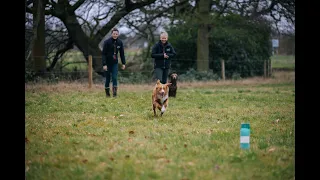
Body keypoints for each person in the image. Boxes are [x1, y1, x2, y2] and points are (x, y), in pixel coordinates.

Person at [102, 28, 126, 97]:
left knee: (115, 77)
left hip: (115, 63)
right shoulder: (107, 42)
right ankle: (107, 93)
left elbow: (122, 54)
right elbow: (103, 54)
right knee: (108, 78)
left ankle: (115, 93)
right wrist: (104, 64)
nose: (115, 35)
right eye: (114, 34)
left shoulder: (120, 42)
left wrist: (123, 63)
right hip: (107, 63)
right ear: (111, 34)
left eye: (116, 34)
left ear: (118, 34)